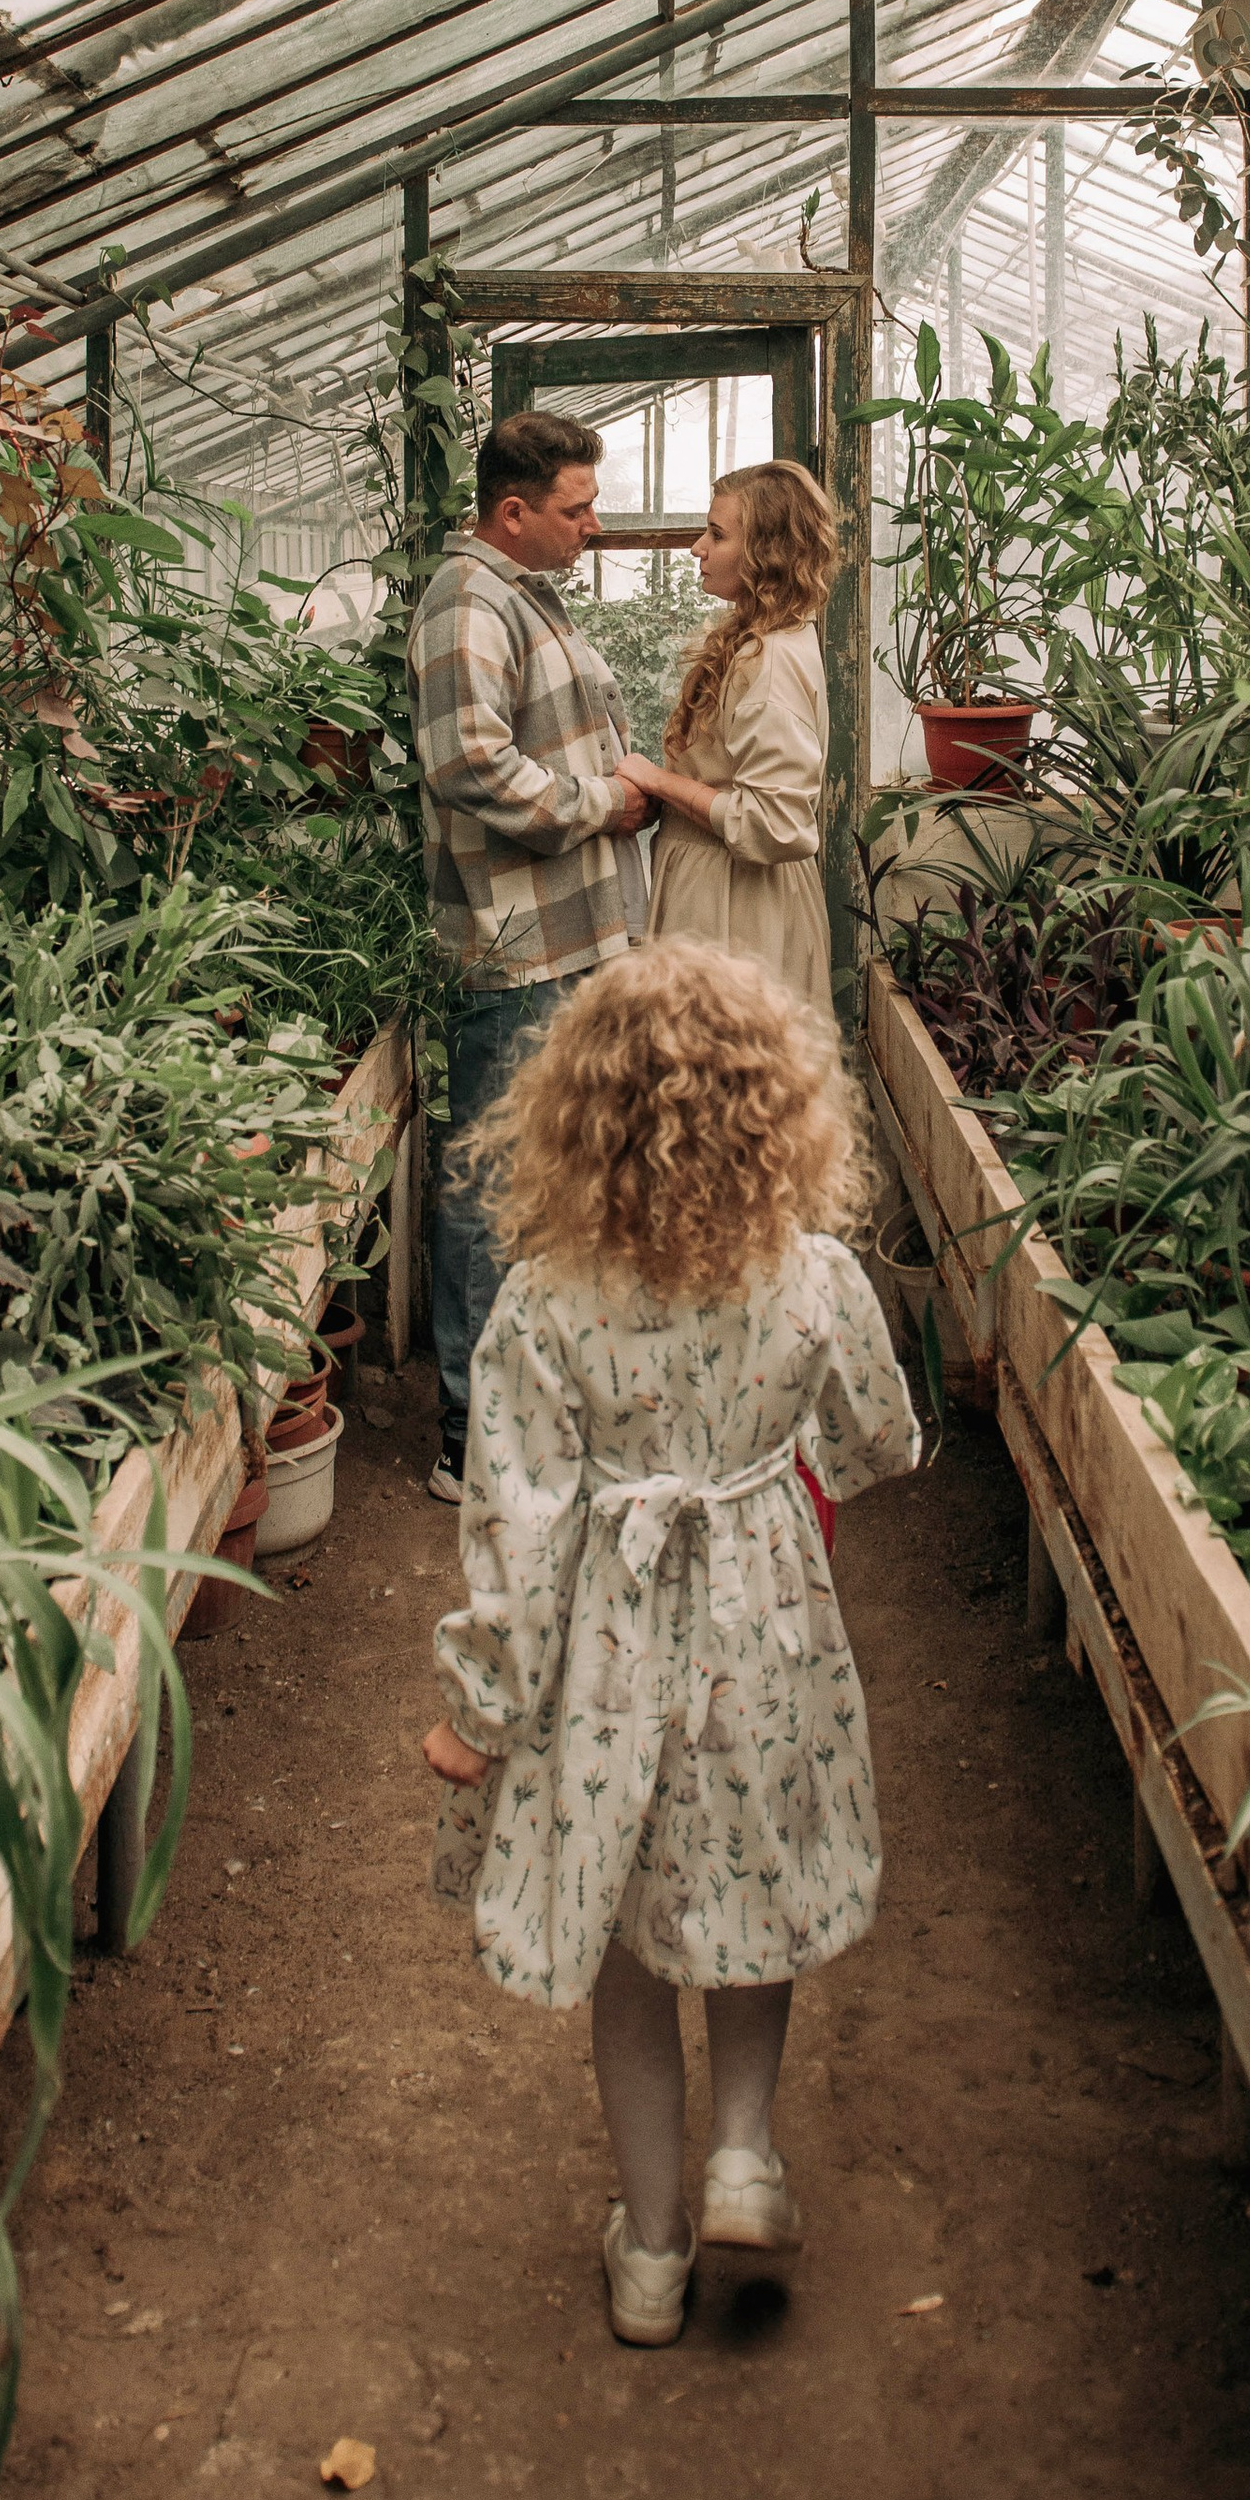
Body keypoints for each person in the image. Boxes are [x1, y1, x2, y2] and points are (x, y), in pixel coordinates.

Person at [420, 939, 919, 2351]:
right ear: (781, 1114)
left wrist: (481, 1707)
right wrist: (775, 1469)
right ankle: (747, 2149)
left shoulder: (543, 1305)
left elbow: (517, 1534)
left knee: (636, 1950)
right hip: (768, 1639)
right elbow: (877, 1437)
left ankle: (649, 2252)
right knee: (751, 1895)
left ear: (574, 1115)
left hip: (608, 1668)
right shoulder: (813, 1274)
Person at [408, 407, 652, 1505]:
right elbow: (467, 763)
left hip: (568, 938)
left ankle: (532, 1406)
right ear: (513, 513)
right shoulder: (466, 600)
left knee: (546, 1181)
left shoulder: (521, 597)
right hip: (516, 949)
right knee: (491, 1186)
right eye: (576, 508)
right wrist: (603, 804)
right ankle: (469, 1439)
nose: (592, 526)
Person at [621, 457, 839, 1016]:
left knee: (723, 1083)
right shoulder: (762, 638)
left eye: (717, 535)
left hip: (738, 912)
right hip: (722, 896)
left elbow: (777, 825)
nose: (698, 547)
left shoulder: (769, 663)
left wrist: (659, 781)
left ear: (766, 553)